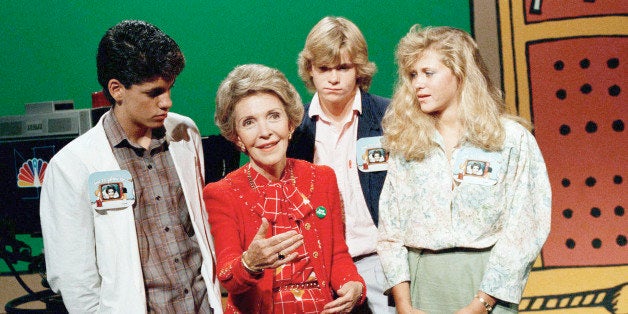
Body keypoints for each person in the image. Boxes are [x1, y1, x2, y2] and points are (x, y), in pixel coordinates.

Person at [40, 20, 223, 313]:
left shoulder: (185, 134)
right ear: (117, 89)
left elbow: (198, 232)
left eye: (170, 88)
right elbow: (74, 276)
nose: (167, 101)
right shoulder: (72, 165)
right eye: (154, 92)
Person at [377, 25, 552, 314]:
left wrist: (482, 302)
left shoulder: (509, 139)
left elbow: (526, 225)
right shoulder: (406, 142)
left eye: (428, 73)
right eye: (412, 75)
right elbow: (390, 230)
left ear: (460, 73)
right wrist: (404, 304)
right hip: (421, 283)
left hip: (487, 284)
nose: (417, 83)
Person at [204, 64, 366, 313]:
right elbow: (227, 274)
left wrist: (353, 284)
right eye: (249, 122)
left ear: (290, 124)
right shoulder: (222, 193)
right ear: (237, 138)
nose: (265, 132)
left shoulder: (322, 178)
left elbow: (338, 255)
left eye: (273, 116)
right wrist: (249, 263)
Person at [287, 16, 394, 313]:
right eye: (324, 68)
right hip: (317, 268)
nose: (333, 78)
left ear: (358, 68)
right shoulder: (294, 129)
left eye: (343, 68)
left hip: (381, 263)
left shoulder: (391, 117)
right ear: (310, 69)